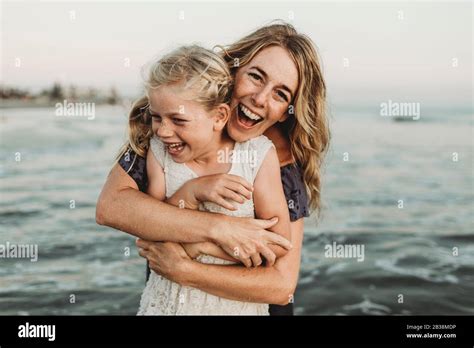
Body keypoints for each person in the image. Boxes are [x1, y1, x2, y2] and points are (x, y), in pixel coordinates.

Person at [97, 22, 329, 315]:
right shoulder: (170, 134)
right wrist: (220, 228)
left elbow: (281, 285)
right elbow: (112, 206)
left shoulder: (277, 161)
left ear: (287, 112)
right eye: (256, 77)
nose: (260, 99)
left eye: (281, 95)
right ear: (233, 71)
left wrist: (185, 267)